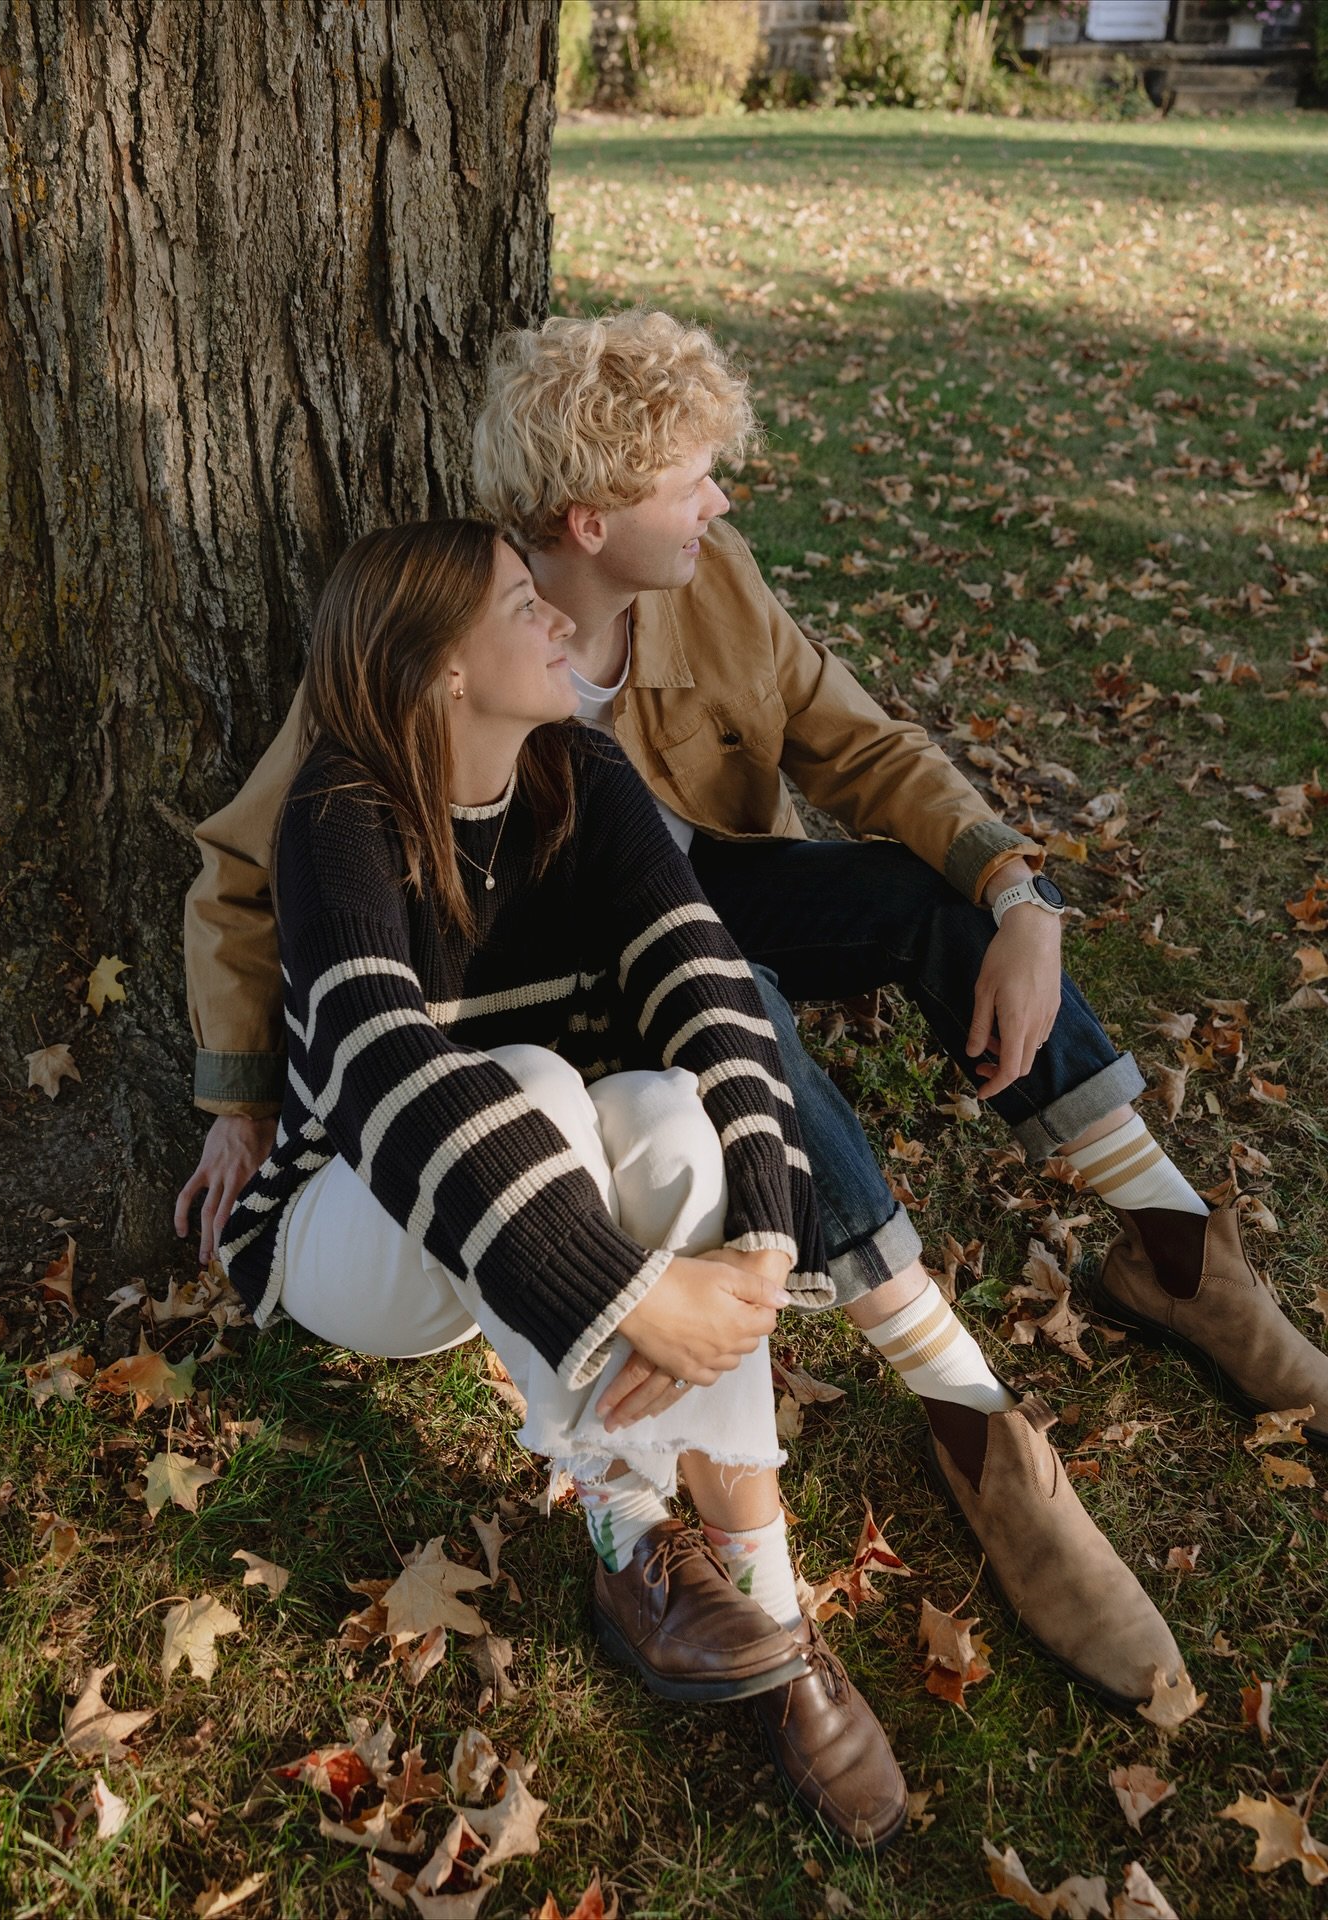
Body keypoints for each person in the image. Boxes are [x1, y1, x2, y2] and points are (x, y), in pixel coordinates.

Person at [176, 310, 1244, 1706]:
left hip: (693, 906)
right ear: (587, 515)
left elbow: (855, 744)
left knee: (914, 910)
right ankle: (959, 1404)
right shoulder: (430, 645)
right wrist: (239, 1095)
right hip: (561, 1019)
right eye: (693, 478)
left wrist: (1021, 898)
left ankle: (1170, 1239)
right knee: (711, 1006)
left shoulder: (711, 581)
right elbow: (253, 878)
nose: (722, 501)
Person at [213, 515, 910, 1847]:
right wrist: (631, 1294)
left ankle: (748, 1586)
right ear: (438, 671)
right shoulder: (339, 814)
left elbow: (714, 995)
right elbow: (385, 1074)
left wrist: (761, 1247)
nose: (562, 625)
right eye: (525, 607)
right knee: (517, 1080)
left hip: (550, 1204)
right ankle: (617, 1513)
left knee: (662, 1103)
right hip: (358, 1236)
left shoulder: (582, 775)